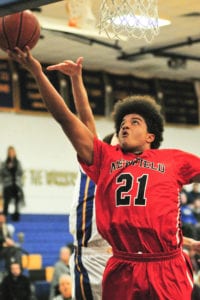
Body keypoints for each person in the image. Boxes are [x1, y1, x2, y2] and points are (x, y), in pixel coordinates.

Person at [8, 46, 200, 300]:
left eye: (134, 122)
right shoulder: (105, 158)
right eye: (122, 122)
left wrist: (188, 242)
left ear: (151, 136)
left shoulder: (173, 159)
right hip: (120, 262)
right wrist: (36, 71)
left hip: (166, 264)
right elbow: (66, 118)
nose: (125, 126)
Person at [47, 57, 112, 300]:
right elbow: (86, 119)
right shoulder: (96, 158)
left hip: (116, 255)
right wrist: (76, 79)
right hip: (91, 254)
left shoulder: (127, 172)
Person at [0, 146, 24, 221]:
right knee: (6, 200)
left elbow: (21, 172)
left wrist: (14, 167)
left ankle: (16, 215)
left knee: (17, 200)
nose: (11, 153)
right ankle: (4, 216)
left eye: (12, 152)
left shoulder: (18, 162)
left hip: (16, 184)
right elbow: (2, 172)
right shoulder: (4, 163)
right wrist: (8, 168)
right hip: (8, 184)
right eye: (10, 152)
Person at [0, 212, 22, 277]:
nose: (3, 218)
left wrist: (10, 242)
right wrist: (5, 240)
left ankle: (18, 269)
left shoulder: (5, 227)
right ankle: (10, 271)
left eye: (3, 217)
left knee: (16, 250)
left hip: (4, 249)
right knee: (10, 251)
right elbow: (4, 239)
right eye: (1, 217)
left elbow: (9, 238)